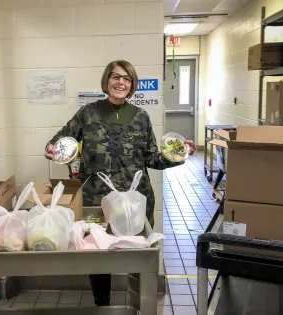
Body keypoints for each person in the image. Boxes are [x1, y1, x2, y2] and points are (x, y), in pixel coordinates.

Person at [44, 60, 195, 306]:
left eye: (126, 78)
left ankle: (138, 303)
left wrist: (176, 155)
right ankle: (101, 304)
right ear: (107, 81)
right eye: (115, 77)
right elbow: (63, 139)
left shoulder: (141, 117)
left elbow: (151, 158)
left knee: (137, 254)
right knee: (97, 253)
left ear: (132, 84)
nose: (120, 82)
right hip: (96, 199)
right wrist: (52, 148)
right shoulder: (88, 113)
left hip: (135, 200)